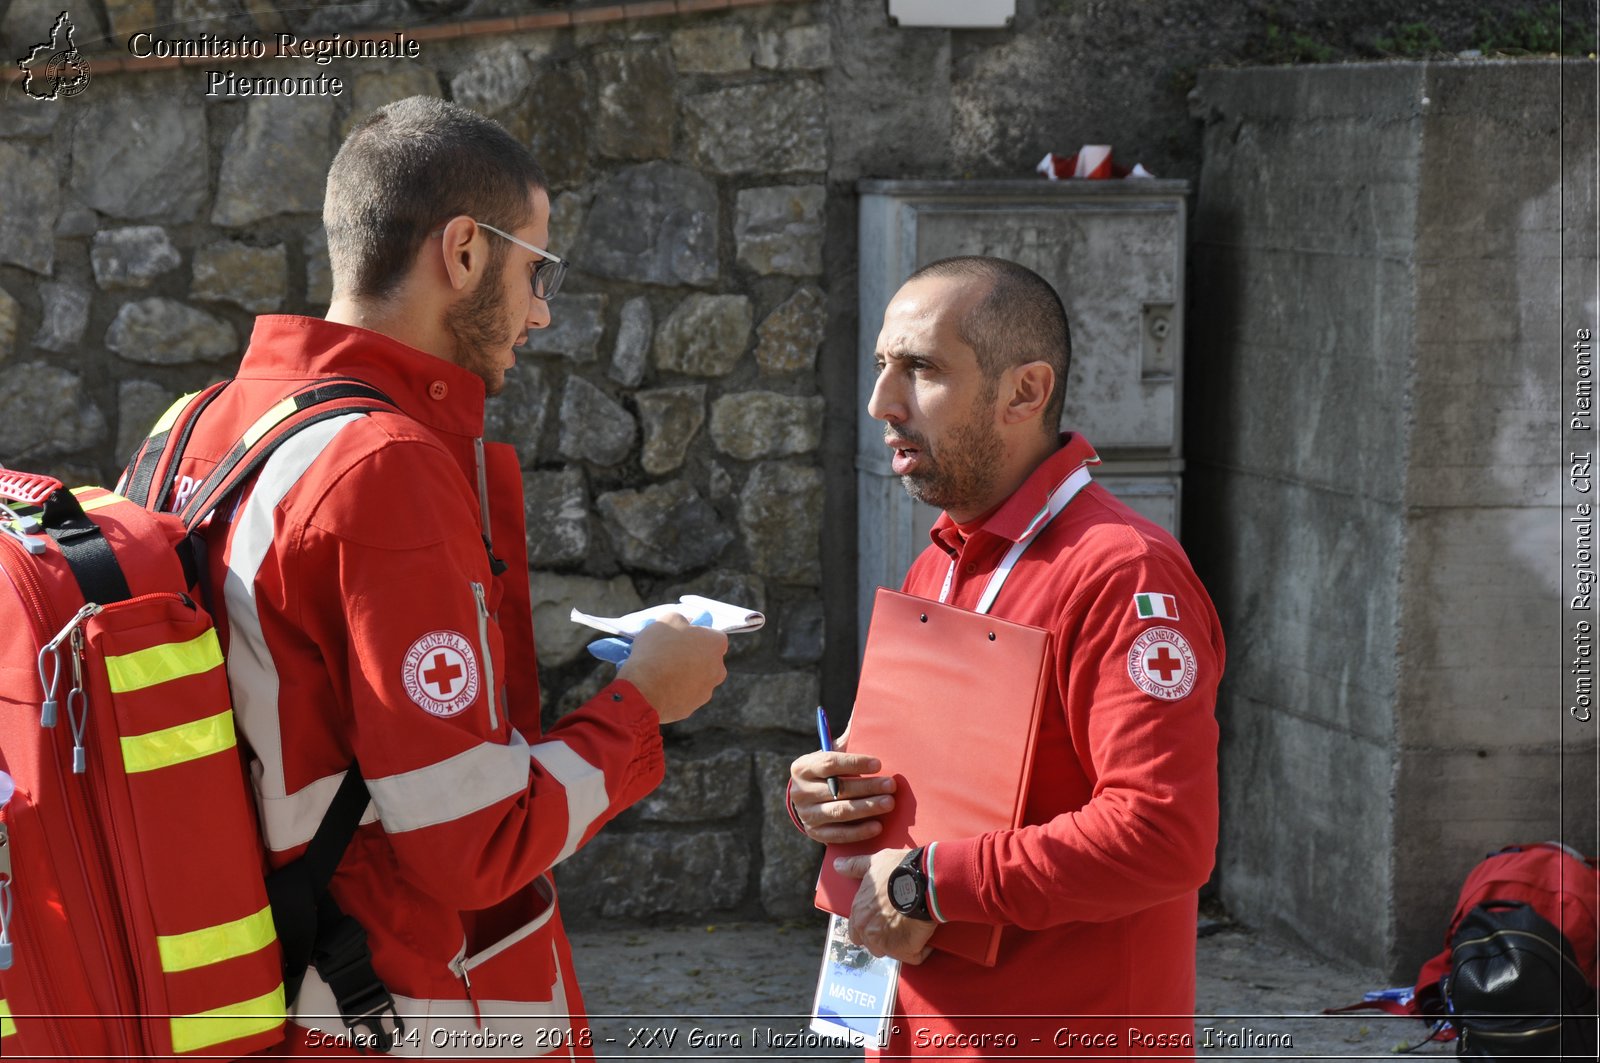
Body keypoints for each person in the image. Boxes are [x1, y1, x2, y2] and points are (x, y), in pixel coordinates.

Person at [147, 96, 729, 1057]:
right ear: (463, 252)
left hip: (264, 990)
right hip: (407, 1011)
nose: (542, 309)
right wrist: (643, 703)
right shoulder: (383, 464)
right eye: (537, 268)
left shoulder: (192, 424)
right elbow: (475, 840)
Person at [788, 256, 1224, 1057]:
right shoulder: (944, 556)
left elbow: (1163, 833)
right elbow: (928, 781)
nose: (883, 403)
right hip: (912, 1023)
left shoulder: (1125, 573)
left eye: (920, 369)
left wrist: (929, 881)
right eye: (884, 365)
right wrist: (830, 793)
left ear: (1024, 392)